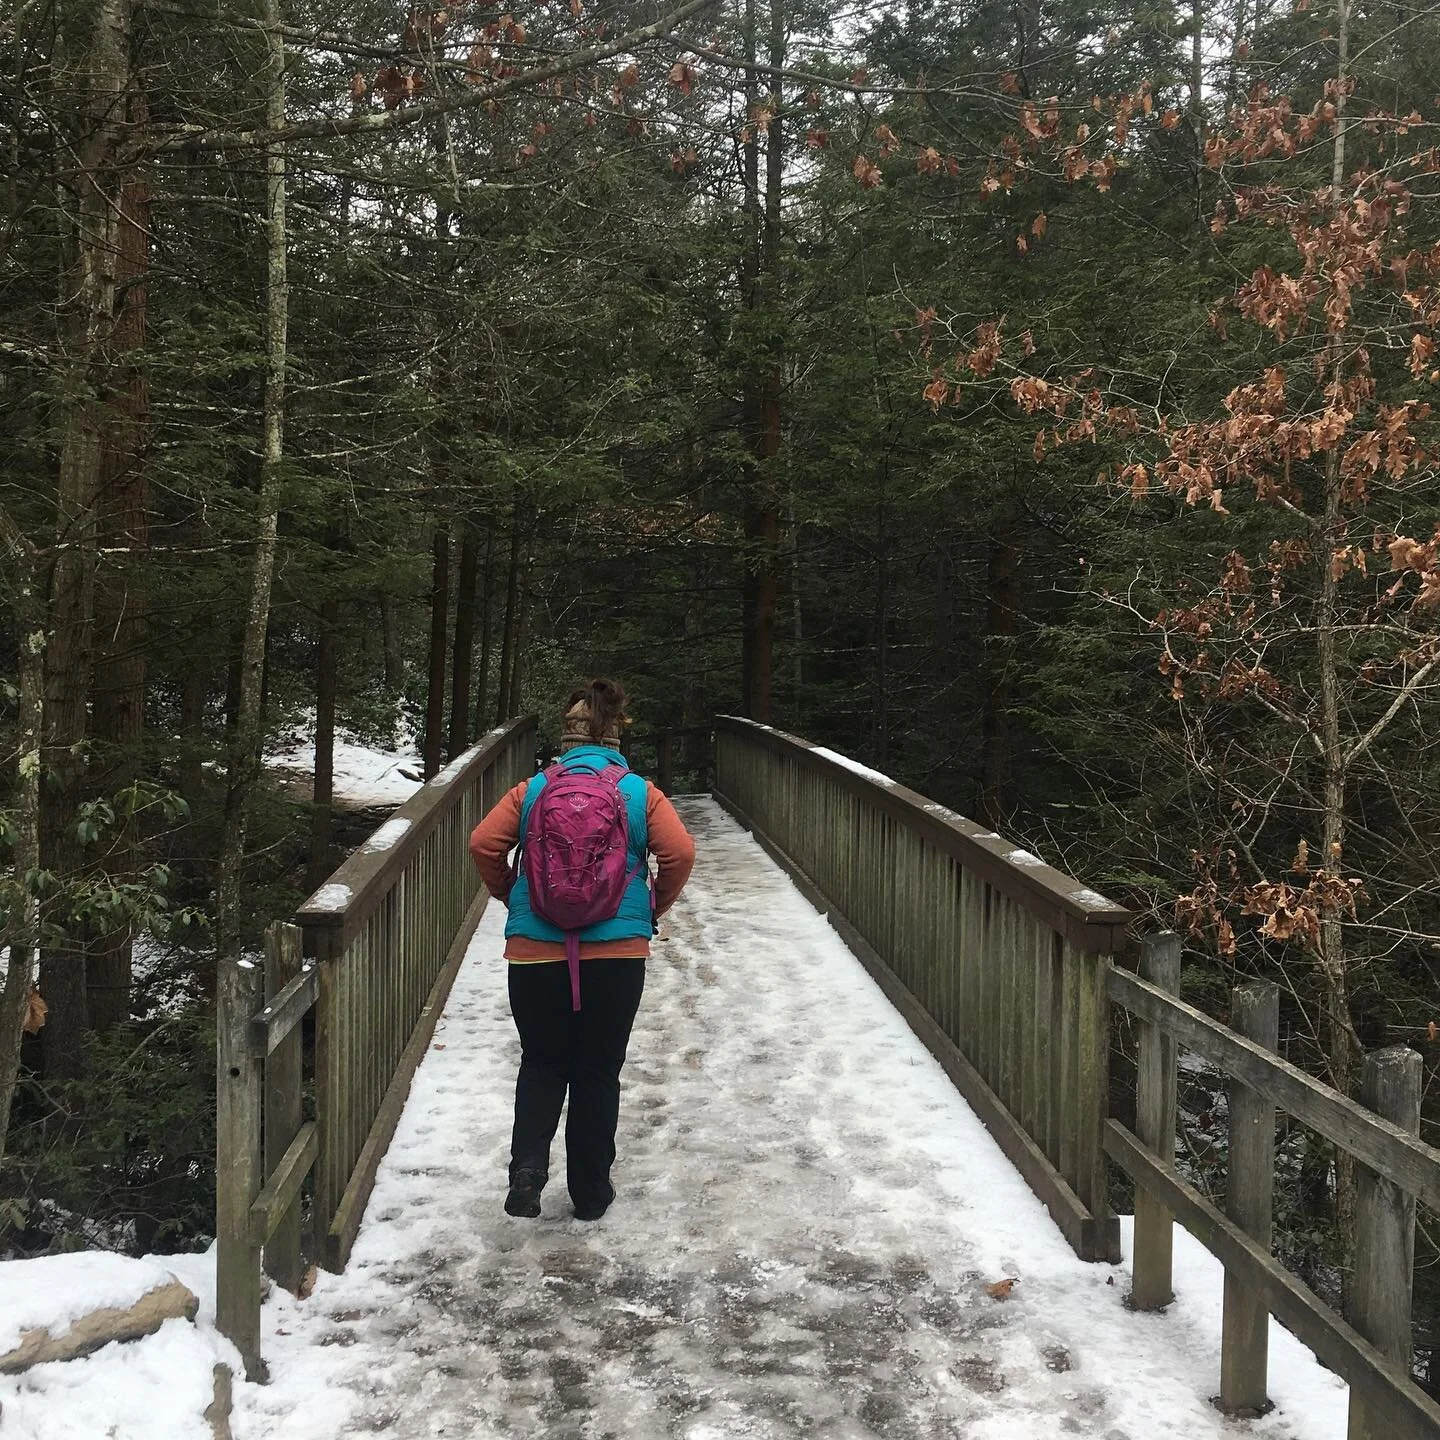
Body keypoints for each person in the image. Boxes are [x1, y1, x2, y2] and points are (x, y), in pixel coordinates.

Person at [468, 678, 696, 1221]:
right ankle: (591, 1195)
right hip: (618, 952)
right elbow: (680, 853)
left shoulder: (533, 790)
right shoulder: (640, 793)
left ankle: (526, 1171)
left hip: (535, 950)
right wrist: (648, 910)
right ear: (617, 739)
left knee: (543, 1061)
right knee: (597, 1069)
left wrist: (510, 895)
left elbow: (483, 844)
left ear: (564, 740)